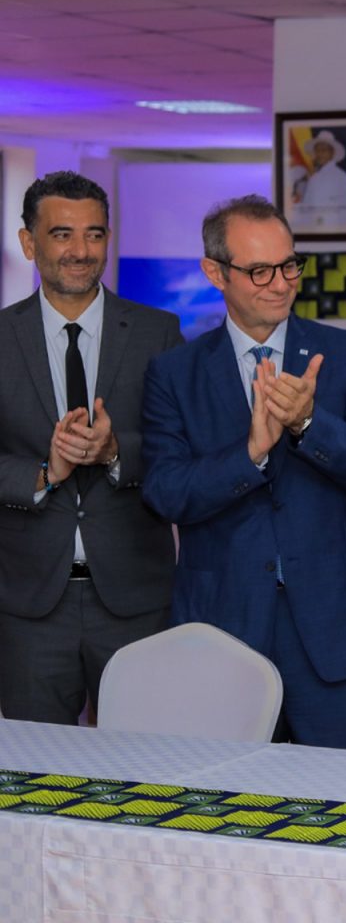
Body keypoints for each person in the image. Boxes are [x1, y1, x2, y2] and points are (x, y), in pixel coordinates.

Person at [141, 194, 346, 751]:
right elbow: (165, 492)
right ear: (215, 272)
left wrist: (308, 424)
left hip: (336, 627)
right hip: (225, 628)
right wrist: (250, 455)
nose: (280, 284)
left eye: (289, 266)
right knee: (224, 796)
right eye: (260, 270)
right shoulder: (175, 373)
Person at [0, 171, 183, 724]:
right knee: (34, 767)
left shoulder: (158, 333)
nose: (81, 251)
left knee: (145, 765)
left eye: (95, 234)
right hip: (30, 606)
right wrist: (44, 472)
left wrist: (115, 453)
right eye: (62, 234)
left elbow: (181, 450)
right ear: (28, 242)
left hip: (135, 601)